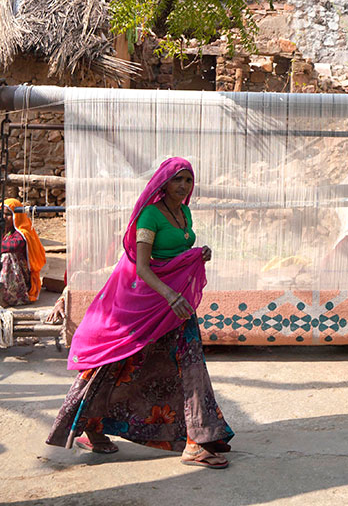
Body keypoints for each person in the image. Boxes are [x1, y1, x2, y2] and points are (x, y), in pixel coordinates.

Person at [47, 157, 234, 468]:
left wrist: (197, 256)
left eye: (188, 180)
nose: (184, 186)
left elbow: (173, 253)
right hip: (143, 303)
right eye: (178, 180)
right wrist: (171, 295)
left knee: (189, 365)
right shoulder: (150, 216)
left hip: (175, 305)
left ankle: (196, 438)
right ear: (163, 183)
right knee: (116, 362)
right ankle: (89, 427)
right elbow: (143, 267)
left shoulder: (183, 211)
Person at [0, 198, 46, 306]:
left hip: (20, 280)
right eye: (2, 214)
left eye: (8, 214)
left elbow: (11, 246)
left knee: (7, 256)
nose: (4, 217)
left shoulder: (23, 234)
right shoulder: (4, 231)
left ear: (17, 216)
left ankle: (9, 297)